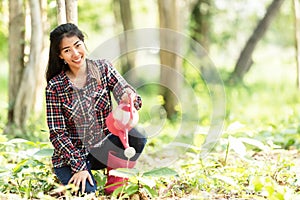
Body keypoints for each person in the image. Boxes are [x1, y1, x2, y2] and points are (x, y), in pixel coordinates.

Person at [45, 23, 147, 195]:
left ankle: (115, 182)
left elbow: (129, 95)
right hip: (70, 157)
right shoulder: (55, 87)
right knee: (87, 194)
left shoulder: (103, 68)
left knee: (138, 137)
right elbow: (57, 134)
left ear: (83, 43)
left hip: (102, 147)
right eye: (67, 50)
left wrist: (129, 98)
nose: (75, 53)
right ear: (60, 55)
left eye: (77, 46)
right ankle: (69, 183)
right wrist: (79, 166)